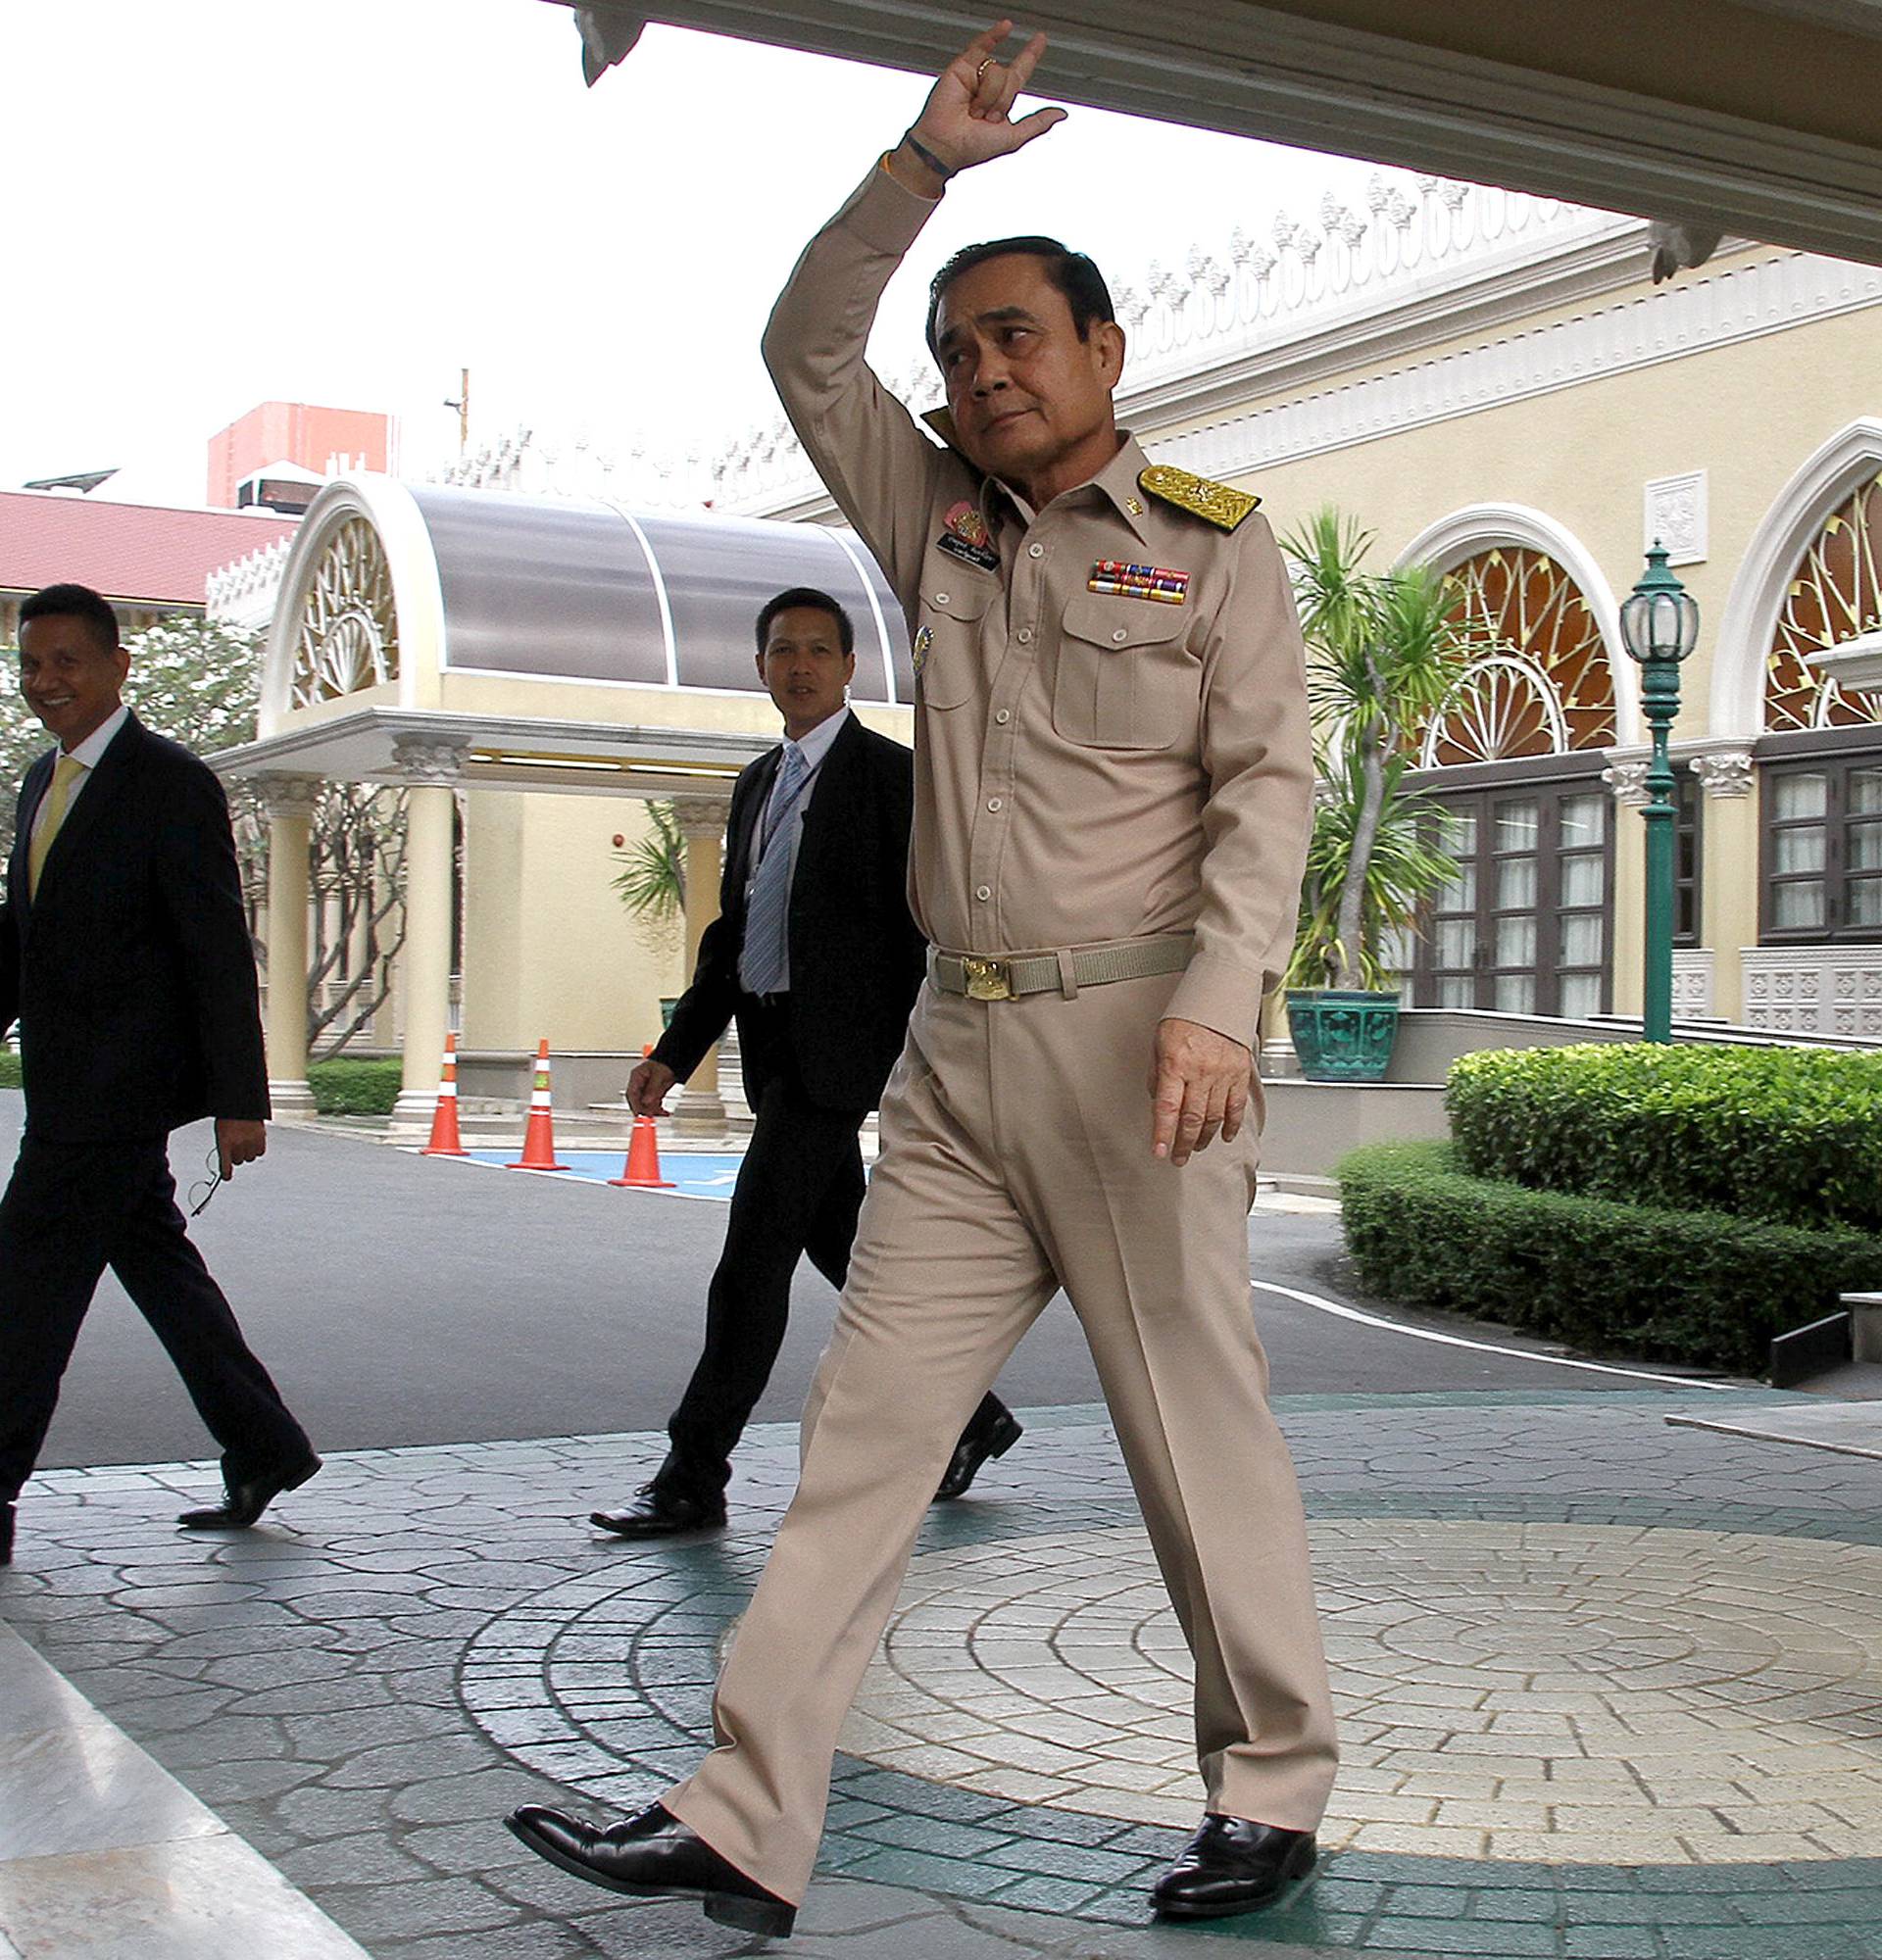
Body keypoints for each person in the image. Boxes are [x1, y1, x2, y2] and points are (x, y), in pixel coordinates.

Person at [507, 22, 1335, 1936]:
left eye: (1013, 338)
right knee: (865, 1437)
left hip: (1146, 1049)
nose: (976, 375)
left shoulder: (1214, 552)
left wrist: (1223, 993)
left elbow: (1268, 782)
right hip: (962, 1060)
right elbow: (808, 348)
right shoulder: (939, 516)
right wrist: (921, 171)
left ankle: (1272, 1785)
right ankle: (743, 1812)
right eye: (958, 353)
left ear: (1105, 354)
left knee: (1192, 1437)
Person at [589, 586, 1021, 1539]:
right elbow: (736, 932)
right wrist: (674, 1051)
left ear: (848, 667)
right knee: (856, 1256)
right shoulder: (755, 783)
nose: (801, 665)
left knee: (750, 1263)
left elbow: (927, 927)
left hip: (840, 1062)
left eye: (819, 650)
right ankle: (978, 1417)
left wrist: (934, 1058)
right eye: (783, 650)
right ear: (761, 667)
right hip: (773, 1050)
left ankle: (693, 1472)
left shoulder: (892, 778)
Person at [0, 583, 319, 1569]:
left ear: (115, 666)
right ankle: (266, 1443)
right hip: (65, 1081)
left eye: (68, 661)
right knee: (162, 1273)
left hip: (116, 1092)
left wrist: (240, 1097)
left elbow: (216, 946)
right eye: (33, 662)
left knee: (24, 1292)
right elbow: (23, 940)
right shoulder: (38, 782)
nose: (47, 680)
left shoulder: (169, 781)